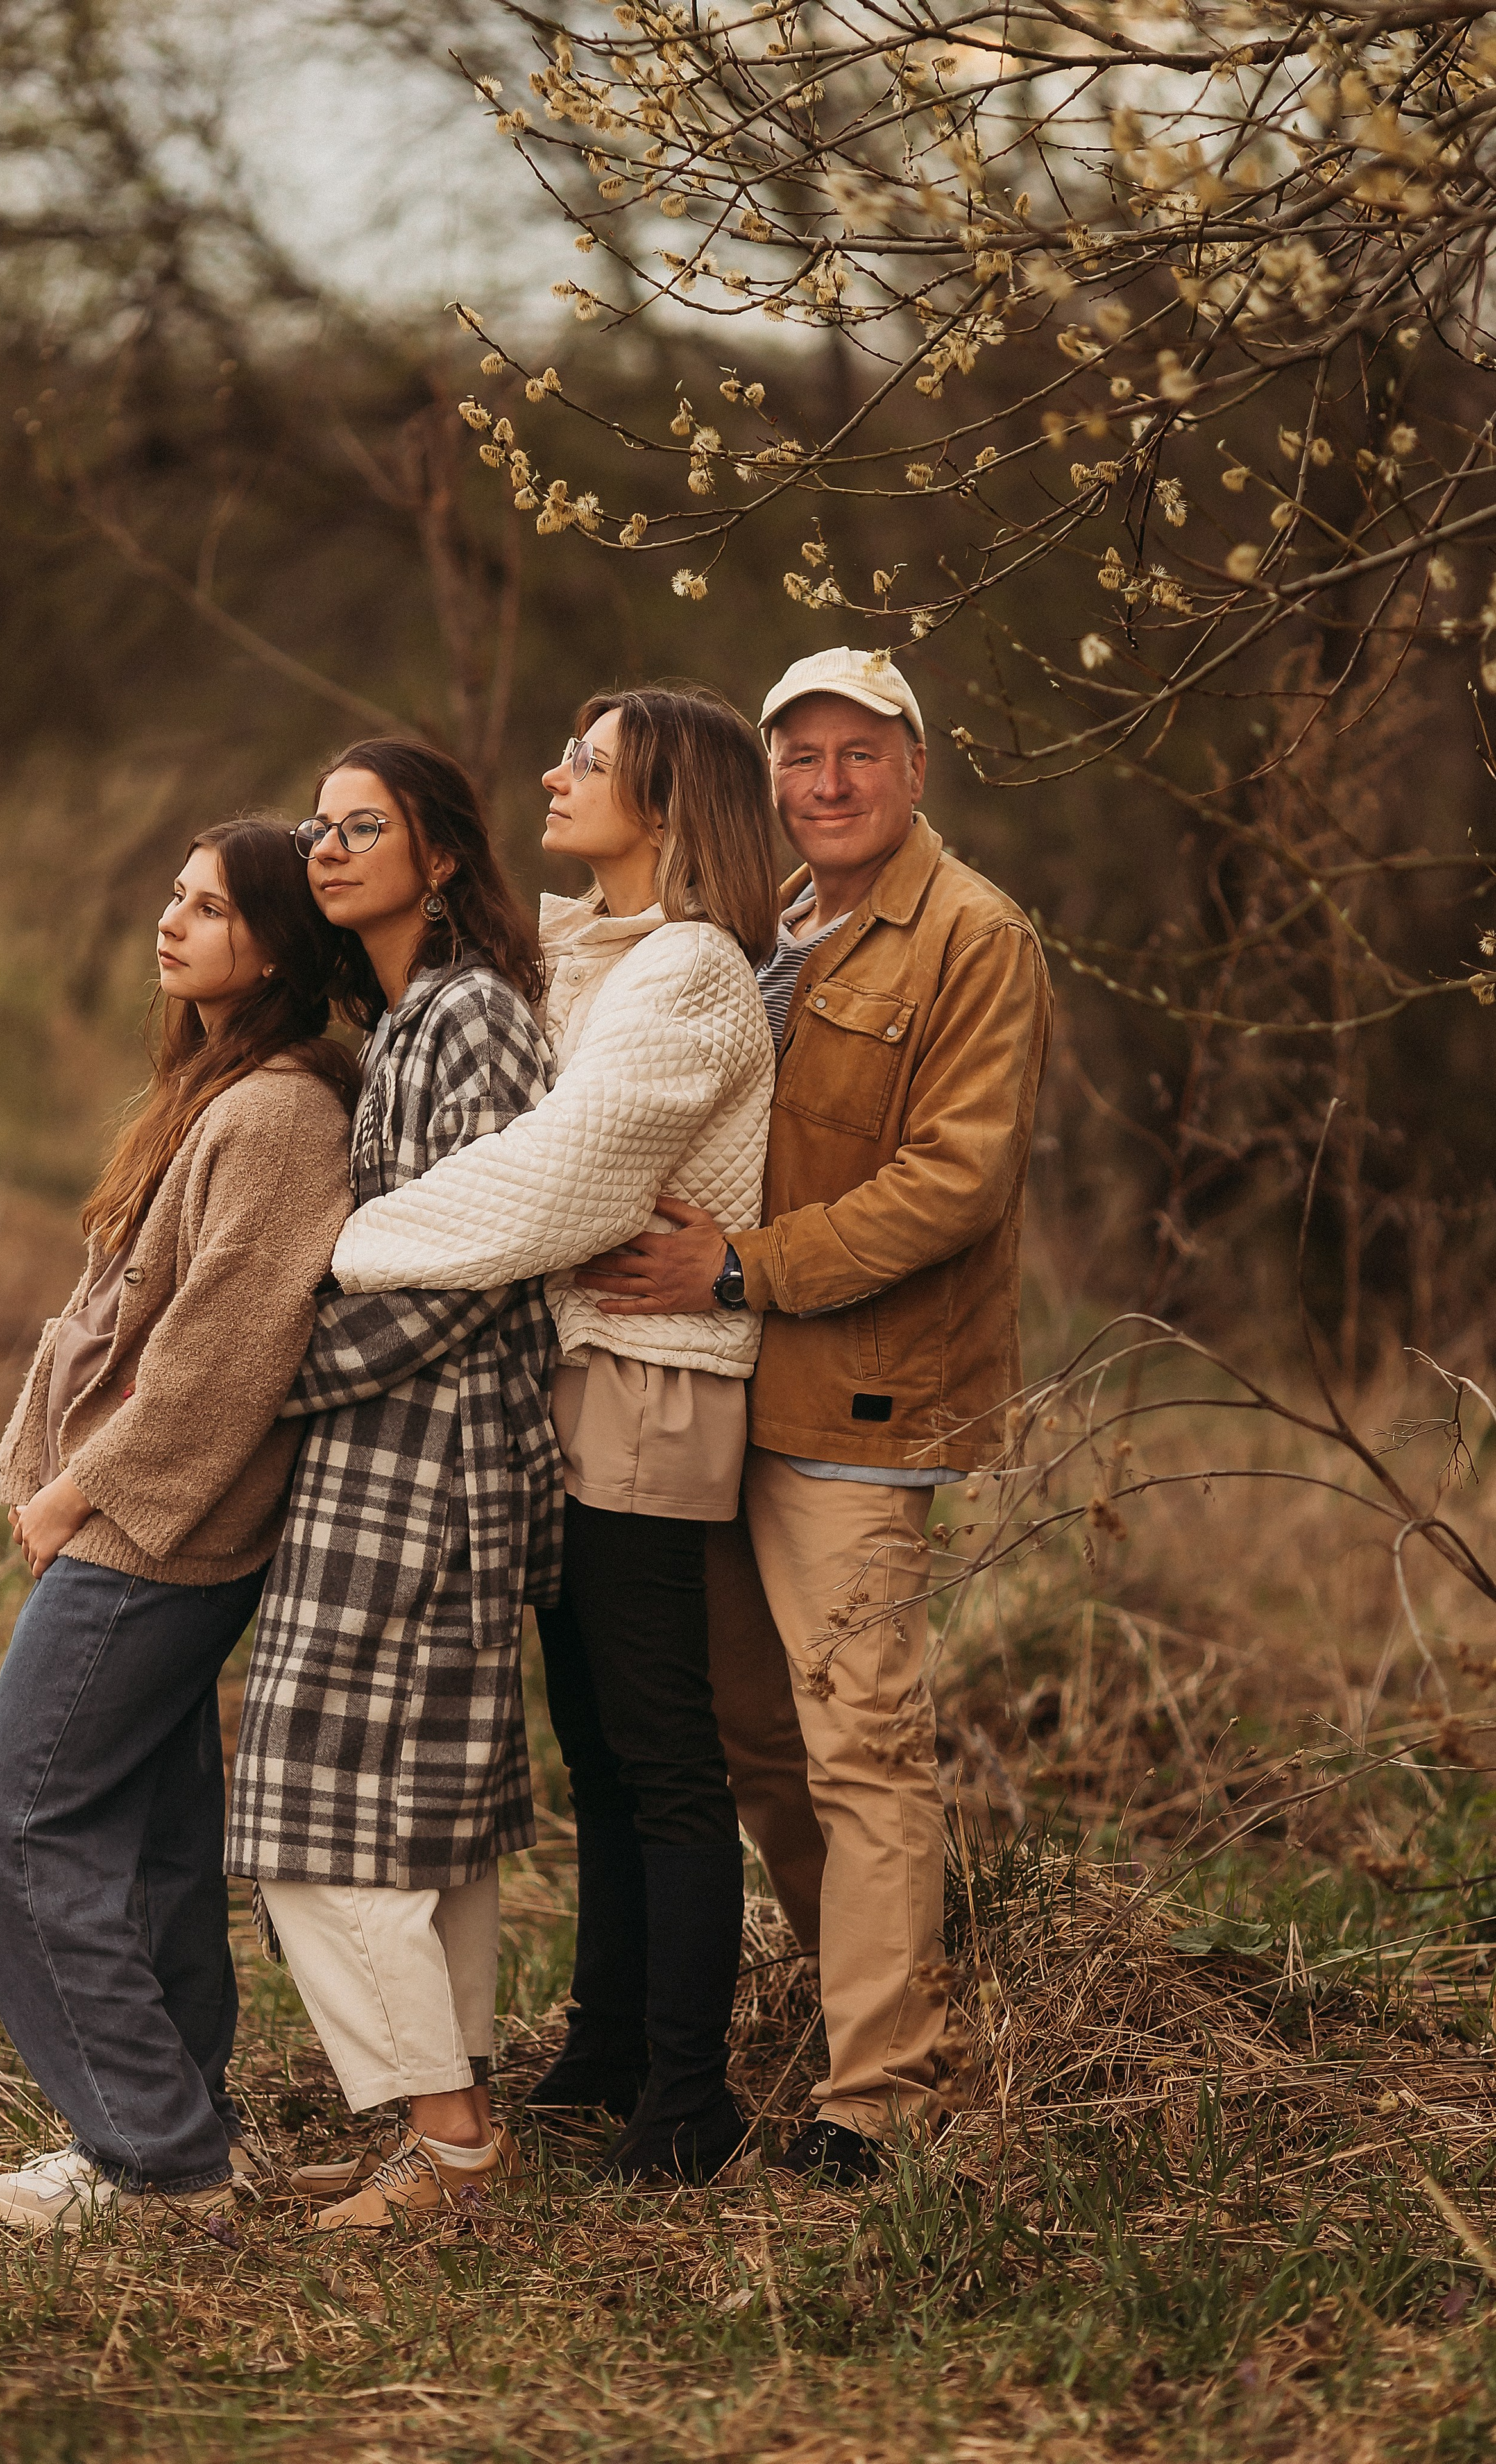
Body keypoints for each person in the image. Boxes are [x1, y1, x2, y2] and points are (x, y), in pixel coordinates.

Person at [578, 646, 1054, 2185]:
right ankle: (858, 2014)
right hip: (724, 1385)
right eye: (801, 759)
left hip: (854, 1393)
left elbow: (953, 1180)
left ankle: (884, 2096)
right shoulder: (769, 924)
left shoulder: (972, 937)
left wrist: (739, 1266)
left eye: (859, 755)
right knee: (750, 1740)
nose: (828, 785)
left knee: (861, 1742)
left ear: (917, 766)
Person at [328, 687, 779, 2184]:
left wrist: (349, 1250)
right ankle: (600, 2055)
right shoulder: (589, 956)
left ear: (666, 802)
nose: (553, 771)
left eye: (588, 762)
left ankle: (686, 2101)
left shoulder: (691, 970)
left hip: (650, 1379)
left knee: (660, 1755)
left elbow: (569, 1176)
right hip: (570, 1377)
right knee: (592, 1740)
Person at [0, 819, 357, 2234]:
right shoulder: (212, 1091)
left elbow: (223, 1350)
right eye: (171, 899)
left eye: (206, 907)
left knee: (9, 1826)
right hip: (125, 1516)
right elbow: (105, 1316)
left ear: (276, 945)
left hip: (158, 1536)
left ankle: (157, 2158)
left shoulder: (282, 1115)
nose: (169, 924)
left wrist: (80, 1491)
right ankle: (187, 2129)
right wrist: (33, 1463)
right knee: (151, 1834)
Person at [225, 738, 562, 2236]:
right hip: (387, 1456)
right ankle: (459, 2128)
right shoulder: (408, 1018)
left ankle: (445, 2148)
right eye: (316, 828)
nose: (327, 846)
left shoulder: (472, 1016)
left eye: (364, 826)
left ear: (439, 857)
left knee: (305, 1810)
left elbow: (472, 1264)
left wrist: (259, 1379)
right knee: (413, 1818)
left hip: (430, 1464)